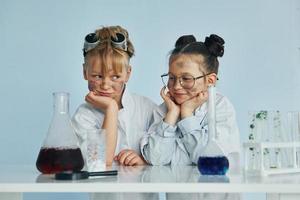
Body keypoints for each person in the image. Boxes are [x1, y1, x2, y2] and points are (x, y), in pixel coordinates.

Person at [140, 34, 240, 200]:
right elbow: (156, 159)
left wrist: (186, 115)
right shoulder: (164, 110)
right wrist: (172, 116)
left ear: (210, 80)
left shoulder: (221, 107)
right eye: (171, 78)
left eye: (186, 79)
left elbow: (210, 161)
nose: (176, 86)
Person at [72, 25, 158, 169]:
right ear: (85, 72)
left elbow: (167, 157)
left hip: (140, 191)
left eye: (115, 77)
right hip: (104, 191)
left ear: (128, 74)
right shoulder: (83, 117)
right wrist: (111, 109)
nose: (105, 85)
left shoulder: (148, 109)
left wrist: (146, 161)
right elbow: (99, 161)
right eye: (97, 76)